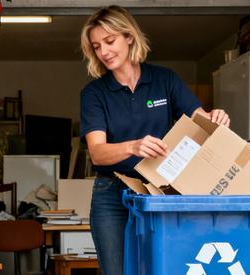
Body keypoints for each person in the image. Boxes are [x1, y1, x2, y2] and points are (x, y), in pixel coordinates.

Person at [78, 5, 231, 275]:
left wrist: (215, 117)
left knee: (161, 268)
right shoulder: (94, 94)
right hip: (111, 197)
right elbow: (97, 153)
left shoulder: (165, 80)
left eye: (110, 41)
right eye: (97, 46)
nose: (104, 52)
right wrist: (133, 146)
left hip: (158, 192)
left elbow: (200, 123)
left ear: (129, 36)